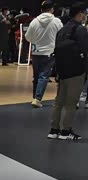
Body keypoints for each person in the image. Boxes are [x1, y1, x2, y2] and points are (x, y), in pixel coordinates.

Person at [49, 2, 88, 140]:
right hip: (76, 71)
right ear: (80, 14)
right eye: (85, 13)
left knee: (58, 102)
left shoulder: (63, 29)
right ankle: (66, 131)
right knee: (71, 103)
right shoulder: (81, 30)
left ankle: (53, 130)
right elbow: (85, 50)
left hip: (62, 70)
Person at [26, 0, 62, 107]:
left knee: (36, 76)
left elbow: (28, 37)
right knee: (44, 76)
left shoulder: (34, 21)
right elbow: (61, 35)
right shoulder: (57, 21)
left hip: (36, 52)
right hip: (49, 52)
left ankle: (35, 97)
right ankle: (37, 99)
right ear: (52, 9)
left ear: (41, 10)